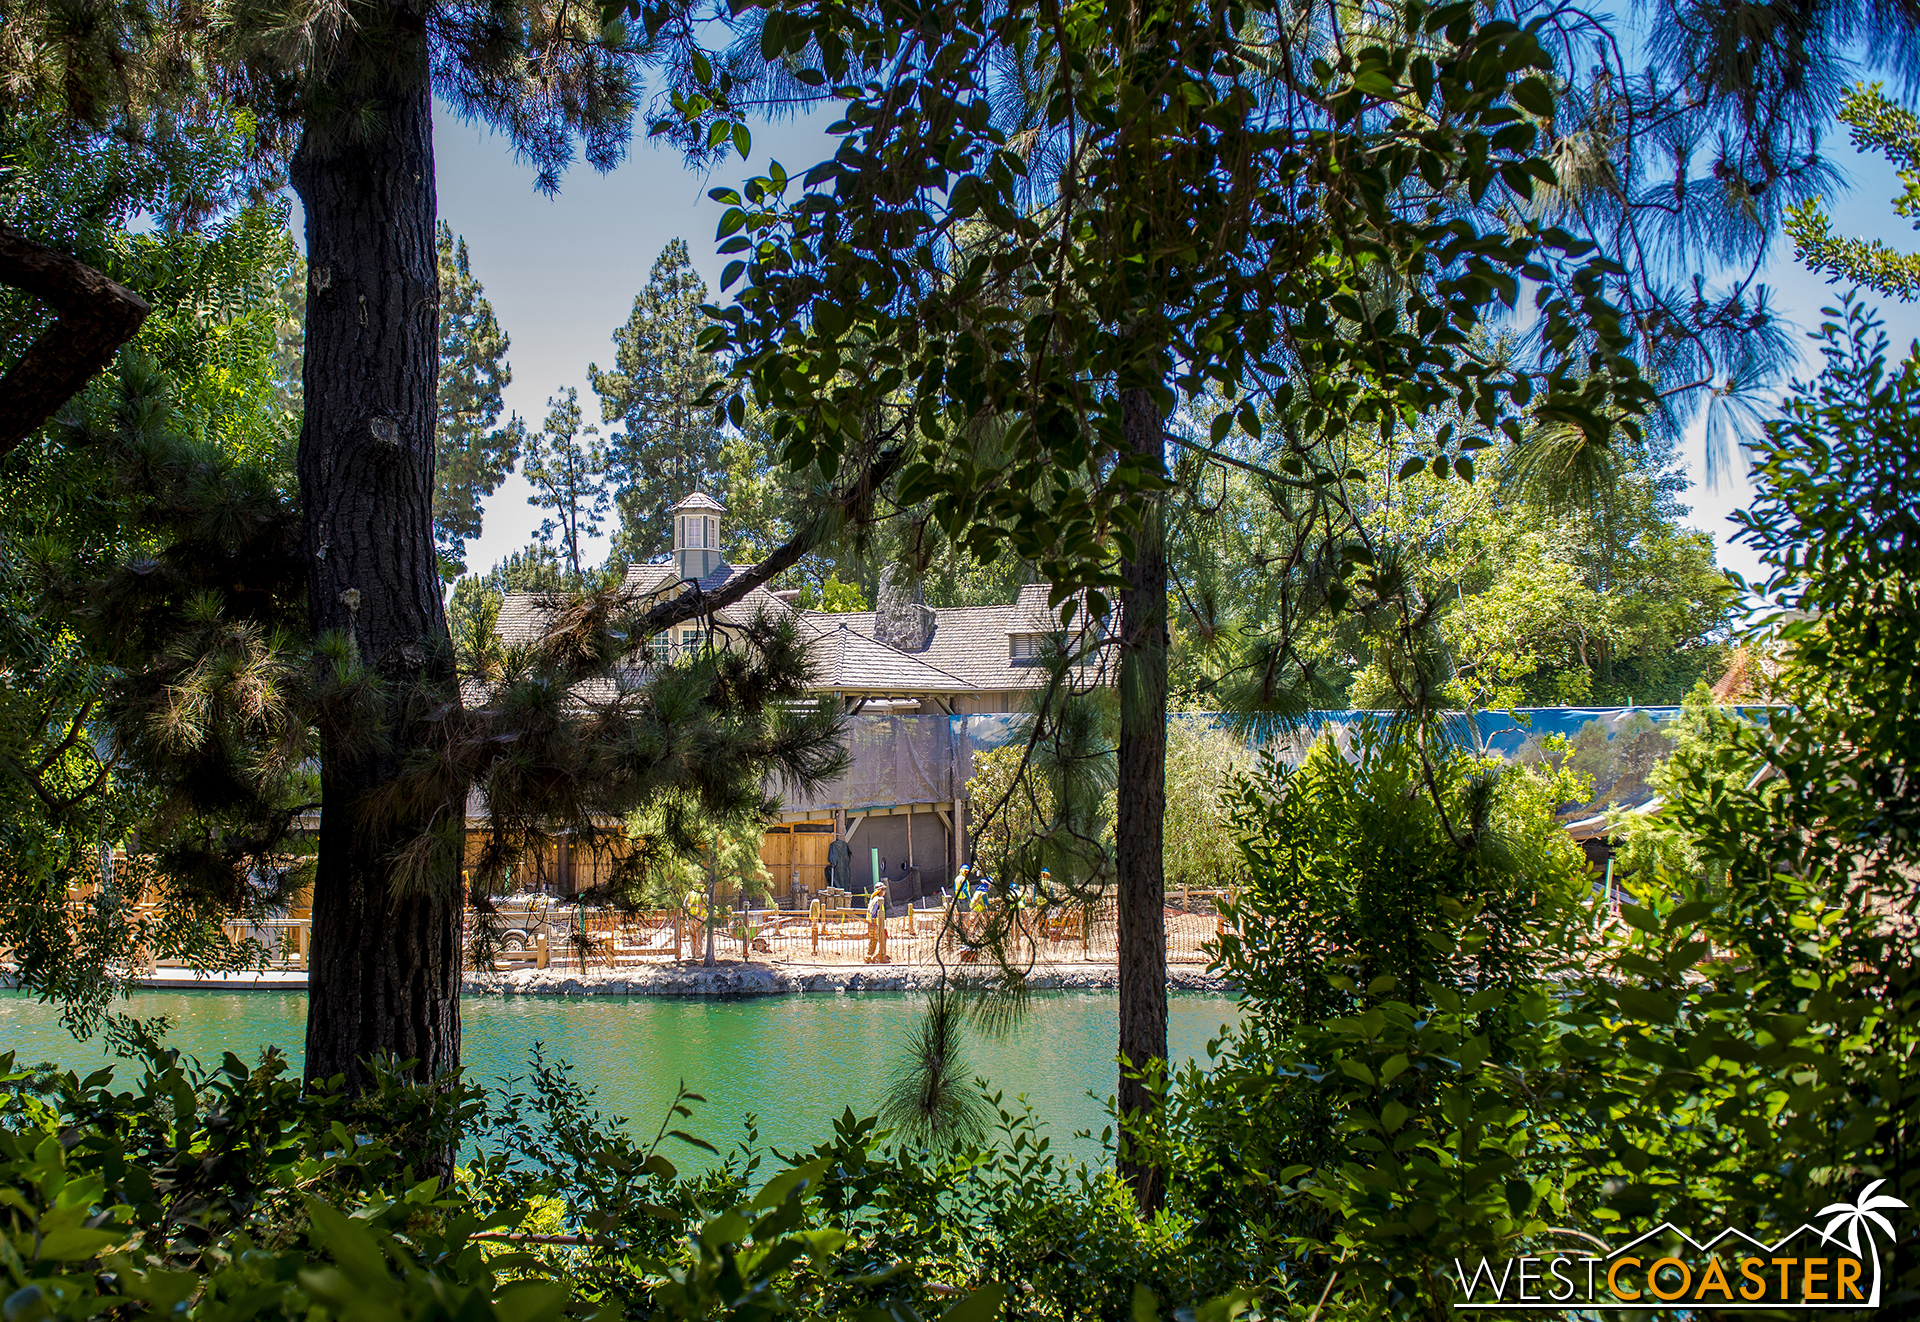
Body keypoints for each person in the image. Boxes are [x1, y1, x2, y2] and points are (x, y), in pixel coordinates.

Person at [865, 881, 890, 963]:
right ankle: (880, 957)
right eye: (883, 890)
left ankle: (869, 957)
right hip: (876, 924)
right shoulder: (878, 900)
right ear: (879, 890)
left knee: (873, 941)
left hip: (871, 924)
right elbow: (874, 913)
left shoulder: (873, 899)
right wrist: (881, 926)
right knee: (882, 940)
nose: (884, 892)